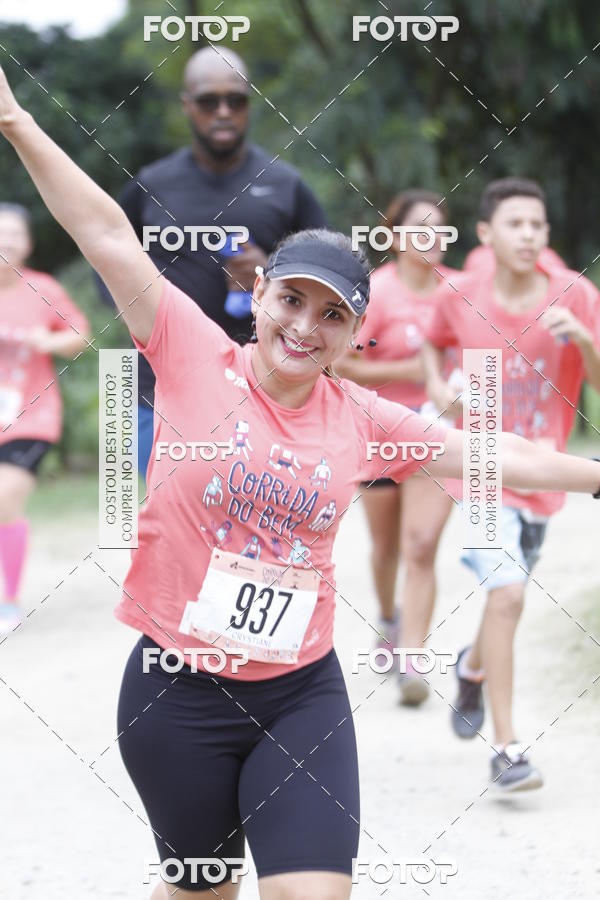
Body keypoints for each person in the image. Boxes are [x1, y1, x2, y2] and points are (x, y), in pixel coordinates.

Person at [2, 72, 600, 898]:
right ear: (258, 298)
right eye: (292, 300)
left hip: (299, 697)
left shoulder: (362, 416)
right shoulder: (188, 348)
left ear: (355, 332)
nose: (305, 326)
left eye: (332, 315)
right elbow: (104, 231)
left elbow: (496, 451)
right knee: (201, 891)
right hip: (177, 695)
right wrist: (12, 115)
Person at [422, 177, 600, 791]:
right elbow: (433, 343)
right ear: (486, 234)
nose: (529, 235)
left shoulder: (576, 295)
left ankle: (471, 668)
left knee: (509, 595)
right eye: (516, 224)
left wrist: (583, 341)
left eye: (538, 225)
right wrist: (438, 389)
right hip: (480, 472)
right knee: (509, 596)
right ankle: (508, 748)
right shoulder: (461, 294)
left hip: (542, 477)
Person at [98, 46, 327, 479]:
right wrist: (137, 312)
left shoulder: (284, 183)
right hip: (160, 387)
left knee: (254, 528)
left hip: (262, 387)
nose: (223, 111)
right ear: (187, 105)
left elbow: (326, 270)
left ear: (249, 104)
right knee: (150, 527)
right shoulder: (152, 184)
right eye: (208, 101)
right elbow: (105, 254)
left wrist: (272, 270)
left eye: (235, 100)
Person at [334, 190, 460, 706]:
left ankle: (413, 659)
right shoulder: (376, 293)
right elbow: (343, 364)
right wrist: (411, 371)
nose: (431, 238)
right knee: (386, 546)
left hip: (438, 437)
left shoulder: (459, 292)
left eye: (440, 229)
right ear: (394, 237)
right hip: (379, 433)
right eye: (419, 228)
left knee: (421, 544)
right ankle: (388, 618)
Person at [0, 203, 89, 633]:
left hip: (31, 415)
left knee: (4, 499)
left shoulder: (43, 288)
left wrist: (46, 341)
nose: (6, 241)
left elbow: (80, 335)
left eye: (14, 233)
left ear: (28, 243)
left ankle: (7, 602)